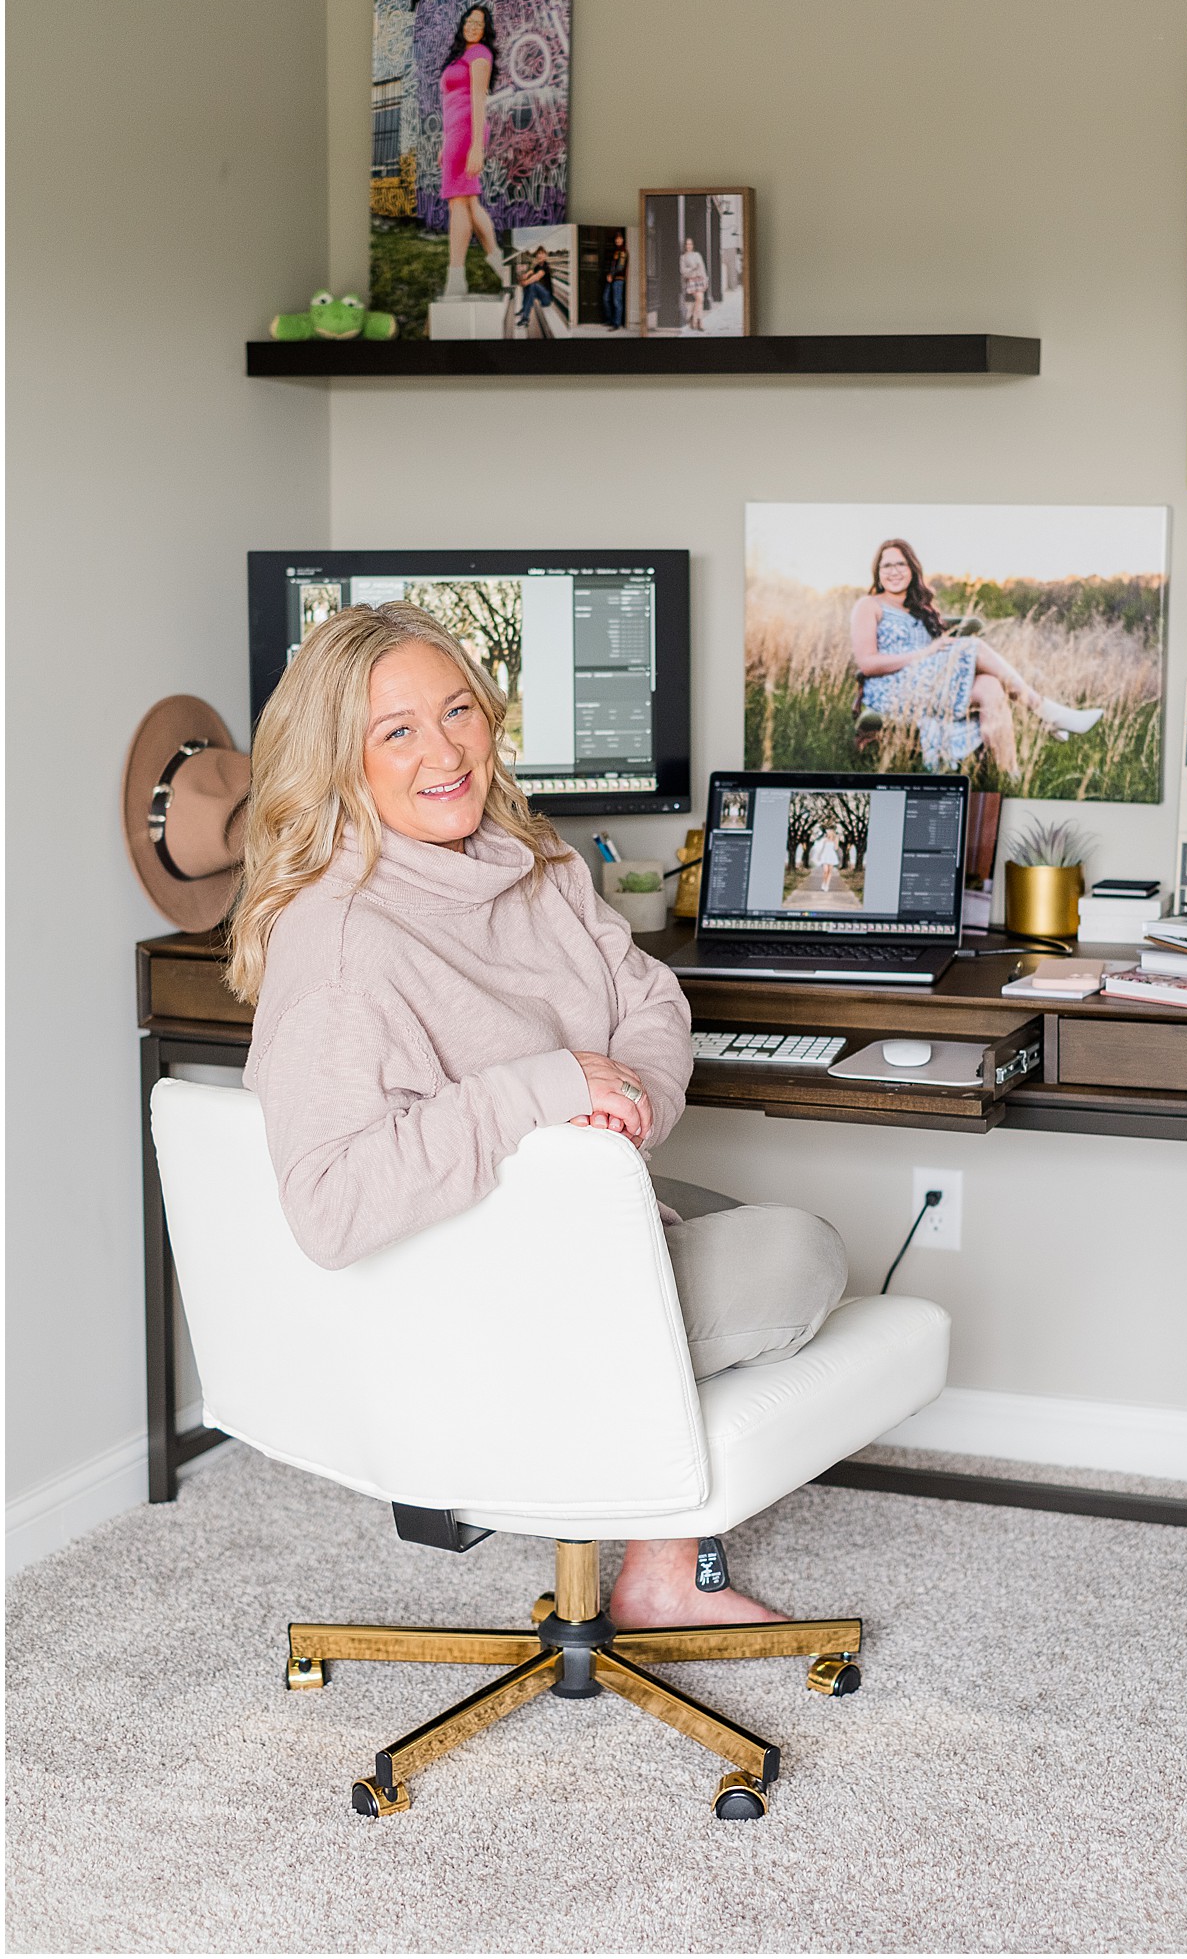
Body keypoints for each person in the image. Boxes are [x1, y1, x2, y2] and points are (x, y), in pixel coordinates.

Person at [225, 601, 847, 1629]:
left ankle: (655, 1569)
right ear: (339, 762)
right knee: (799, 1253)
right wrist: (554, 1088)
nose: (446, 750)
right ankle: (655, 1564)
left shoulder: (531, 858)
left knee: (723, 1212)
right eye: (398, 731)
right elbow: (330, 1205)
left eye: (457, 708)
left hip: (555, 1223)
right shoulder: (341, 940)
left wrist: (627, 1105)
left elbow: (647, 998)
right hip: (472, 1290)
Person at [850, 540, 1103, 777]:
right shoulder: (869, 605)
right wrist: (924, 653)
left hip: (926, 683)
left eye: (900, 564)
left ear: (912, 569)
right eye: (887, 565)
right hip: (892, 689)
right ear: (878, 572)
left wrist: (938, 644)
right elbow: (868, 664)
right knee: (975, 647)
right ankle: (1045, 711)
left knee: (991, 687)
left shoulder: (919, 608)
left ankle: (1007, 775)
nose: (893, 571)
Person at [438, 3, 511, 301]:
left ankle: (456, 278)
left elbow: (479, 101)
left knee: (459, 203)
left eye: (478, 23)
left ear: (485, 30)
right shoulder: (462, 55)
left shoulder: (480, 55)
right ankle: (502, 266)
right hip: (455, 132)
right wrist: (445, 141)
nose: (471, 25)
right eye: (469, 19)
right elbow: (450, 103)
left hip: (468, 130)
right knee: (468, 203)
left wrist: (476, 148)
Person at [514, 246, 555, 334]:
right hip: (540, 294)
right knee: (529, 286)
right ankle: (524, 309)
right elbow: (530, 272)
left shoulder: (545, 267)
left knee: (531, 284)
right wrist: (523, 277)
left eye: (542, 253)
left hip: (546, 299)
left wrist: (526, 282)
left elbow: (537, 277)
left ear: (545, 255)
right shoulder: (537, 266)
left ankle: (525, 318)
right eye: (538, 253)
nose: (539, 255)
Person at [679, 235, 709, 331]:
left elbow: (702, 268)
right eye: (687, 244)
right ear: (685, 246)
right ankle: (699, 322)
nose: (689, 246)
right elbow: (683, 271)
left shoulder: (697, 255)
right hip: (691, 281)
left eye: (690, 244)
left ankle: (694, 317)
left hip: (700, 279)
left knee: (700, 300)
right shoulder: (683, 257)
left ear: (693, 245)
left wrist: (705, 280)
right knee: (699, 299)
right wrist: (693, 268)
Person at [602, 230, 628, 330]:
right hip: (612, 278)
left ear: (623, 240)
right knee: (605, 298)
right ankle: (610, 320)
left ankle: (616, 324)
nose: (618, 240)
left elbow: (620, 267)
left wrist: (611, 275)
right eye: (616, 238)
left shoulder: (623, 251)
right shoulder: (616, 251)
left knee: (617, 302)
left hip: (618, 279)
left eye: (619, 238)